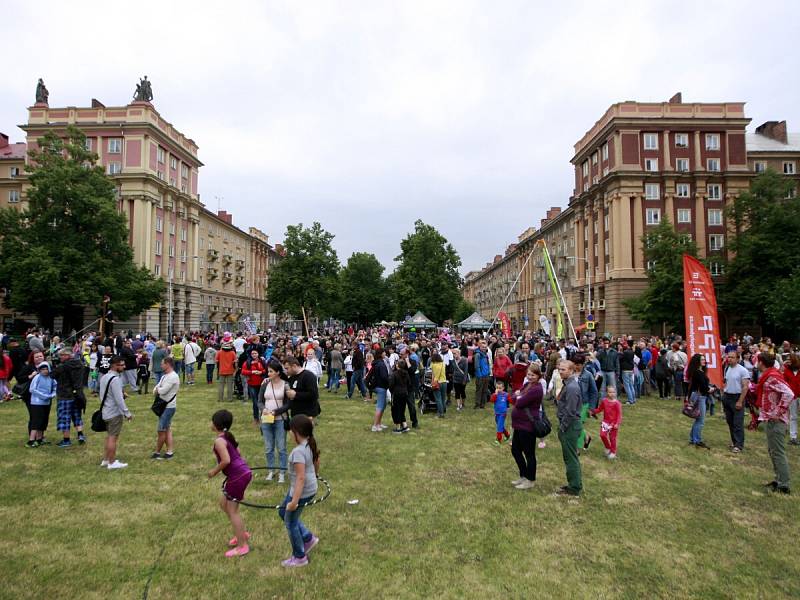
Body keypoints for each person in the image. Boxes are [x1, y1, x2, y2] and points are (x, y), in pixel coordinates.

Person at [208, 409, 253, 557]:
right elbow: (238, 454)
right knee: (223, 504)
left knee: (232, 511)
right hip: (242, 473)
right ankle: (241, 533)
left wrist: (214, 471)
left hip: (237, 477)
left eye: (211, 421)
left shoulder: (219, 441)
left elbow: (226, 460)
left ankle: (242, 546)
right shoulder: (228, 437)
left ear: (216, 424)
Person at [278, 415, 320, 568]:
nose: (289, 433)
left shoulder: (298, 452)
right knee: (283, 512)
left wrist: (294, 501)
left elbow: (301, 478)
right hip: (309, 488)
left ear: (296, 432)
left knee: (290, 521)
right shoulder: (310, 443)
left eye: (290, 430)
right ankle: (308, 538)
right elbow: (316, 462)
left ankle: (299, 557)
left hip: (301, 491)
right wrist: (315, 475)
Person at [757, 353, 794, 494]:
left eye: (757, 361)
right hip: (770, 418)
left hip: (776, 420)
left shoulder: (772, 377)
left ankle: (784, 485)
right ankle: (779, 479)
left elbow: (789, 393)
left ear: (761, 362)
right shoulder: (770, 375)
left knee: (778, 451)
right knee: (773, 450)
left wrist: (778, 412)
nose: (756, 364)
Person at [509, 363, 544, 490]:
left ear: (539, 376)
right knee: (515, 450)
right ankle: (523, 475)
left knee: (529, 453)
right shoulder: (527, 385)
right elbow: (513, 398)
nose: (530, 377)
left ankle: (530, 479)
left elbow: (519, 403)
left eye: (533, 375)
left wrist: (518, 396)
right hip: (518, 424)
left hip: (527, 425)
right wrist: (517, 395)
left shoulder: (537, 389)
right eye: (529, 374)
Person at [100, 356, 133, 469]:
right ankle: (112, 462)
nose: (124, 367)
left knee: (109, 437)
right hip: (114, 413)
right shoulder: (115, 379)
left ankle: (106, 459)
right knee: (113, 438)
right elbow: (119, 399)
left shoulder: (104, 377)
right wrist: (127, 413)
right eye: (122, 365)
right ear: (114, 365)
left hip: (106, 411)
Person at [556, 360, 583, 496]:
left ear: (571, 371)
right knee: (570, 457)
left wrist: (563, 427)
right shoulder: (568, 384)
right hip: (569, 425)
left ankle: (574, 487)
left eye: (564, 369)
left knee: (571, 458)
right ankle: (574, 484)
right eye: (559, 369)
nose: (561, 371)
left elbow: (571, 411)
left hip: (570, 426)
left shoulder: (572, 387)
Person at [259, 361, 289, 483]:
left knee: (281, 447)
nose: (268, 373)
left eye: (271, 371)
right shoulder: (265, 383)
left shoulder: (285, 385)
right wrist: (264, 409)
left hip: (280, 420)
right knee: (268, 447)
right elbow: (259, 401)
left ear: (278, 372)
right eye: (268, 371)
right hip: (266, 419)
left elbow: (288, 404)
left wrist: (275, 412)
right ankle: (271, 470)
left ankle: (282, 472)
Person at [53, 347, 87, 447]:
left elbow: (53, 374)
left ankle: (66, 440)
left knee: (64, 418)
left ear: (67, 355)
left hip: (65, 395)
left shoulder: (64, 366)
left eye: (61, 355)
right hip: (78, 394)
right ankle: (80, 435)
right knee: (77, 415)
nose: (60, 358)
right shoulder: (80, 364)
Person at [272, 356, 321, 420]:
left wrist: (296, 394)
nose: (286, 371)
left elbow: (314, 395)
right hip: (296, 413)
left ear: (294, 366)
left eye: (287, 368)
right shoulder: (292, 378)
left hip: (307, 413)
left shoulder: (308, 376)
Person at [152, 355, 179, 460]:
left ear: (168, 364)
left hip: (168, 407)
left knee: (161, 430)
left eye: (162, 363)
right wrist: (158, 389)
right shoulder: (164, 376)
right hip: (163, 405)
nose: (161, 365)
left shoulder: (173, 376)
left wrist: (158, 389)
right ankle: (169, 452)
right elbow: (156, 389)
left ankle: (157, 452)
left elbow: (162, 391)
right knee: (167, 429)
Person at [722, 351, 750, 453]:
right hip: (727, 397)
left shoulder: (743, 371)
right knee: (730, 421)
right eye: (728, 357)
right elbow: (726, 382)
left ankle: (739, 444)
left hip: (737, 397)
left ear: (737, 359)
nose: (729, 359)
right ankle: (734, 442)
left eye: (732, 357)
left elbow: (745, 387)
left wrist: (740, 401)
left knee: (738, 422)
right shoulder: (727, 368)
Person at [27, 362, 56, 447]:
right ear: (39, 370)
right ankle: (31, 440)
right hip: (36, 403)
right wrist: (44, 396)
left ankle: (39, 439)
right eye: (42, 369)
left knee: (43, 421)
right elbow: (32, 389)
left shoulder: (51, 378)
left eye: (46, 369)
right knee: (36, 421)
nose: (45, 371)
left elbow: (55, 387)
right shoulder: (37, 377)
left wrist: (52, 395)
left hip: (46, 403)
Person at [685, 353, 711, 449]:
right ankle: (697, 440)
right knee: (700, 420)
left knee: (698, 419)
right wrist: (710, 389)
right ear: (697, 362)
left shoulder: (698, 371)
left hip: (697, 396)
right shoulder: (698, 372)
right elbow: (703, 386)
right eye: (702, 359)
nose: (704, 361)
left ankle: (693, 439)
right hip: (700, 397)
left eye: (704, 359)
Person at [591, 386, 622, 459]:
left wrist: (617, 423)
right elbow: (599, 409)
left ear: (615, 393)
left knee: (612, 438)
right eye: (610, 392)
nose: (612, 394)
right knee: (602, 435)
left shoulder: (617, 403)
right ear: (607, 393)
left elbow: (619, 415)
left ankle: (613, 452)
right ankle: (608, 447)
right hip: (605, 422)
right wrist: (593, 411)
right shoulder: (604, 401)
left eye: (613, 392)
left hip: (613, 424)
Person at [574, 354, 597, 452]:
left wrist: (591, 408)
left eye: (579, 364)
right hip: (572, 403)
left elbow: (594, 391)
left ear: (583, 364)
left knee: (578, 424)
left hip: (583, 404)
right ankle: (586, 437)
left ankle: (577, 448)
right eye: (575, 364)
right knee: (574, 424)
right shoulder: (570, 373)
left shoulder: (588, 375)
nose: (577, 366)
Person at [242, 349, 267, 423]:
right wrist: (252, 372)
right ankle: (256, 418)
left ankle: (264, 417)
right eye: (252, 353)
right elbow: (243, 371)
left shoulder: (262, 361)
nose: (254, 355)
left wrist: (261, 372)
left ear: (258, 354)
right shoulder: (247, 362)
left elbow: (266, 370)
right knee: (255, 402)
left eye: (255, 353)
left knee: (263, 401)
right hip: (252, 384)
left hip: (262, 384)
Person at [389, 358, 411, 433]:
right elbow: (409, 383)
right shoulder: (406, 373)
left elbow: (391, 385)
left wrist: (392, 391)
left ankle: (398, 427)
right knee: (402, 409)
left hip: (397, 393)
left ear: (398, 365)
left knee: (396, 410)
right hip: (404, 393)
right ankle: (404, 425)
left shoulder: (394, 374)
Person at [782, 354, 800, 446]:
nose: (787, 361)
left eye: (789, 359)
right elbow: (784, 383)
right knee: (793, 417)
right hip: (792, 397)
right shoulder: (786, 370)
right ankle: (793, 437)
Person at [489, 379, 511, 445]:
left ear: (503, 388)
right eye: (497, 388)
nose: (498, 389)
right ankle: (507, 435)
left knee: (499, 427)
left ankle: (498, 440)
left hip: (503, 413)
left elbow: (511, 400)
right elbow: (491, 400)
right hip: (497, 413)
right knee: (500, 425)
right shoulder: (495, 395)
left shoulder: (506, 395)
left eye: (500, 388)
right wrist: (495, 394)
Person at [216, 337, 237, 402]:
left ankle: (220, 398)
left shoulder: (219, 352)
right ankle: (230, 398)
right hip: (230, 371)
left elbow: (216, 361)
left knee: (221, 385)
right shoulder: (232, 353)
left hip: (221, 370)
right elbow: (235, 361)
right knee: (230, 385)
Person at [473, 339, 491, 409]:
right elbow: (476, 366)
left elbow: (487, 364)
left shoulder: (486, 354)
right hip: (480, 376)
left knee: (485, 390)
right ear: (479, 347)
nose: (484, 348)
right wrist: (480, 375)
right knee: (479, 390)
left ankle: (483, 404)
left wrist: (488, 372)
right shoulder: (477, 354)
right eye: (482, 347)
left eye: (485, 347)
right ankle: (477, 404)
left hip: (486, 375)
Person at [430, 351, 448, 418]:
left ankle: (440, 413)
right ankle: (443, 410)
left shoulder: (434, 365)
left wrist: (432, 383)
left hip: (437, 382)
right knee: (443, 398)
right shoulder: (443, 363)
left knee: (438, 399)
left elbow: (433, 375)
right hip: (444, 382)